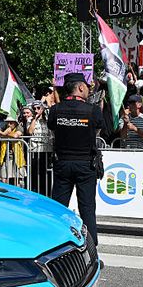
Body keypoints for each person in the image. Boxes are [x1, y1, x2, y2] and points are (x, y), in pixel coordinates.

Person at [47, 72, 104, 245]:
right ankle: (91, 252)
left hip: (62, 163)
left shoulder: (56, 110)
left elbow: (53, 130)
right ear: (80, 87)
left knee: (58, 208)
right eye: (87, 86)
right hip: (85, 164)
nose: (88, 90)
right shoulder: (92, 110)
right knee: (87, 209)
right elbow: (98, 132)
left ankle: (54, 246)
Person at [26, 100, 54, 194]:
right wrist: (35, 119)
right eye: (34, 108)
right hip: (35, 149)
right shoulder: (30, 120)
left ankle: (46, 192)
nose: (36, 110)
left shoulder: (47, 120)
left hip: (47, 150)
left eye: (38, 108)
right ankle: (36, 191)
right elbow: (29, 132)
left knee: (46, 173)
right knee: (35, 173)